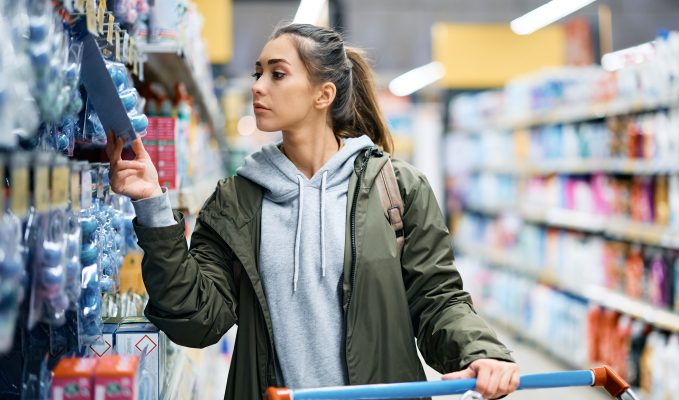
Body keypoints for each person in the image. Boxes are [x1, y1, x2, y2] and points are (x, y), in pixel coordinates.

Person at [106, 23, 519, 400]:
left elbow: (437, 298)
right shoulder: (236, 202)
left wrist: (480, 352)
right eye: (257, 73)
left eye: (277, 73)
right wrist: (152, 206)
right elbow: (195, 320)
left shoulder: (398, 189)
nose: (258, 87)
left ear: (324, 94)